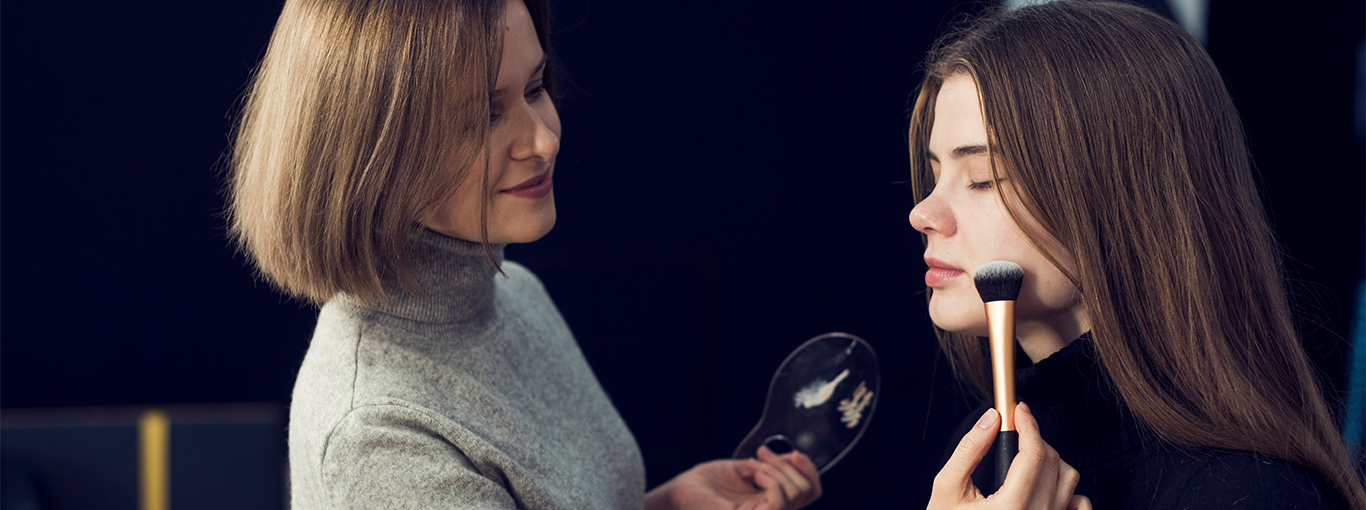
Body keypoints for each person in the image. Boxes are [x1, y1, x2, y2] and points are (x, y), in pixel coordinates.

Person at [226, 0, 821, 508]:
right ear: (373, 153)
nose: (544, 139)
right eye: (484, 116)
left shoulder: (515, 293)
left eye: (535, 88)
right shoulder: (378, 436)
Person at [904, 2, 1366, 509]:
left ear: (1118, 200)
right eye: (934, 175)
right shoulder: (975, 467)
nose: (923, 213)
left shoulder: (1250, 495)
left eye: (982, 179)